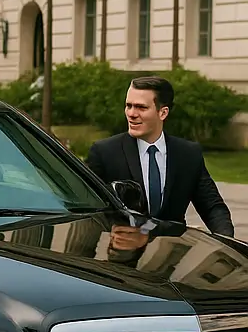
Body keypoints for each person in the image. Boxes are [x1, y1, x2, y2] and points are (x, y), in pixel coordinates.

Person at [85, 75, 234, 236]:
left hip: (171, 254)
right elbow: (87, 210)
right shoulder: (104, 152)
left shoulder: (188, 154)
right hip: (122, 253)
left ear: (163, 113)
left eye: (141, 107)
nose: (132, 114)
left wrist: (226, 243)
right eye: (129, 106)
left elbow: (213, 207)